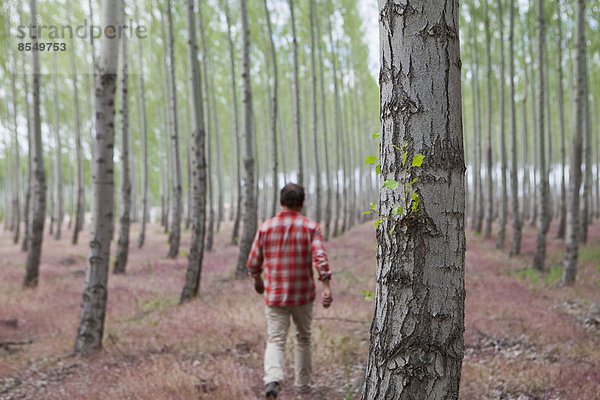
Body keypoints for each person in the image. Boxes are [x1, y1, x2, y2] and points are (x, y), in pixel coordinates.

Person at [247, 183, 333, 399]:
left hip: (275, 295)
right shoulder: (311, 228)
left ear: (280, 202)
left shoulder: (266, 228)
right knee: (303, 338)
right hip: (303, 294)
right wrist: (326, 286)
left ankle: (273, 380)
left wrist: (258, 280)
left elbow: (253, 262)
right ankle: (303, 387)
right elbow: (320, 258)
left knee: (276, 339)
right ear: (302, 204)